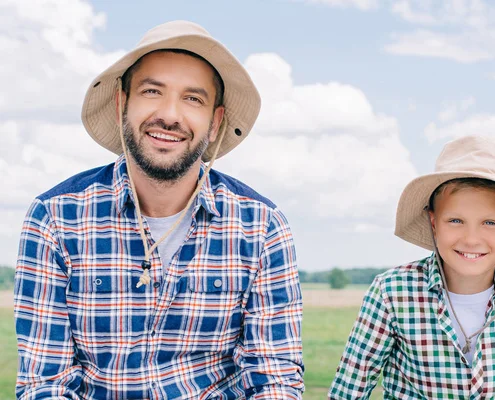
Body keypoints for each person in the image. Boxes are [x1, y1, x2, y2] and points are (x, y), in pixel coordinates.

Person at [14, 20, 303, 399]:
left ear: (215, 123)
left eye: (193, 99)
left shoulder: (263, 227)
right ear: (122, 104)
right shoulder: (55, 219)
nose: (170, 114)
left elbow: (274, 380)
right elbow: (45, 384)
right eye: (152, 91)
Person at [329, 135, 495, 399]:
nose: (471, 239)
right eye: (455, 220)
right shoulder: (391, 292)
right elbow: (349, 390)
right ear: (434, 224)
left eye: (490, 222)